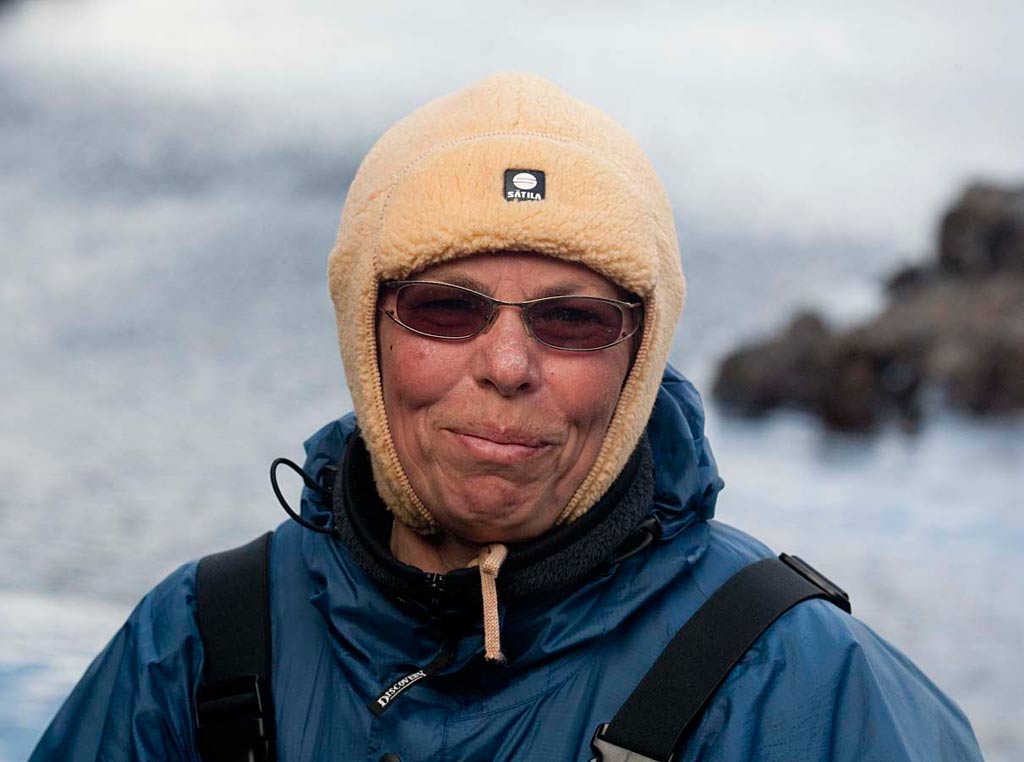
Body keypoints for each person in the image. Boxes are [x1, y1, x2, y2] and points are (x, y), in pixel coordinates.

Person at [31, 72, 983, 761]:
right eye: (446, 308)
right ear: (365, 333)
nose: (507, 366)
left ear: (638, 357)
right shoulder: (195, 650)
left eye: (572, 321)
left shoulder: (802, 689)